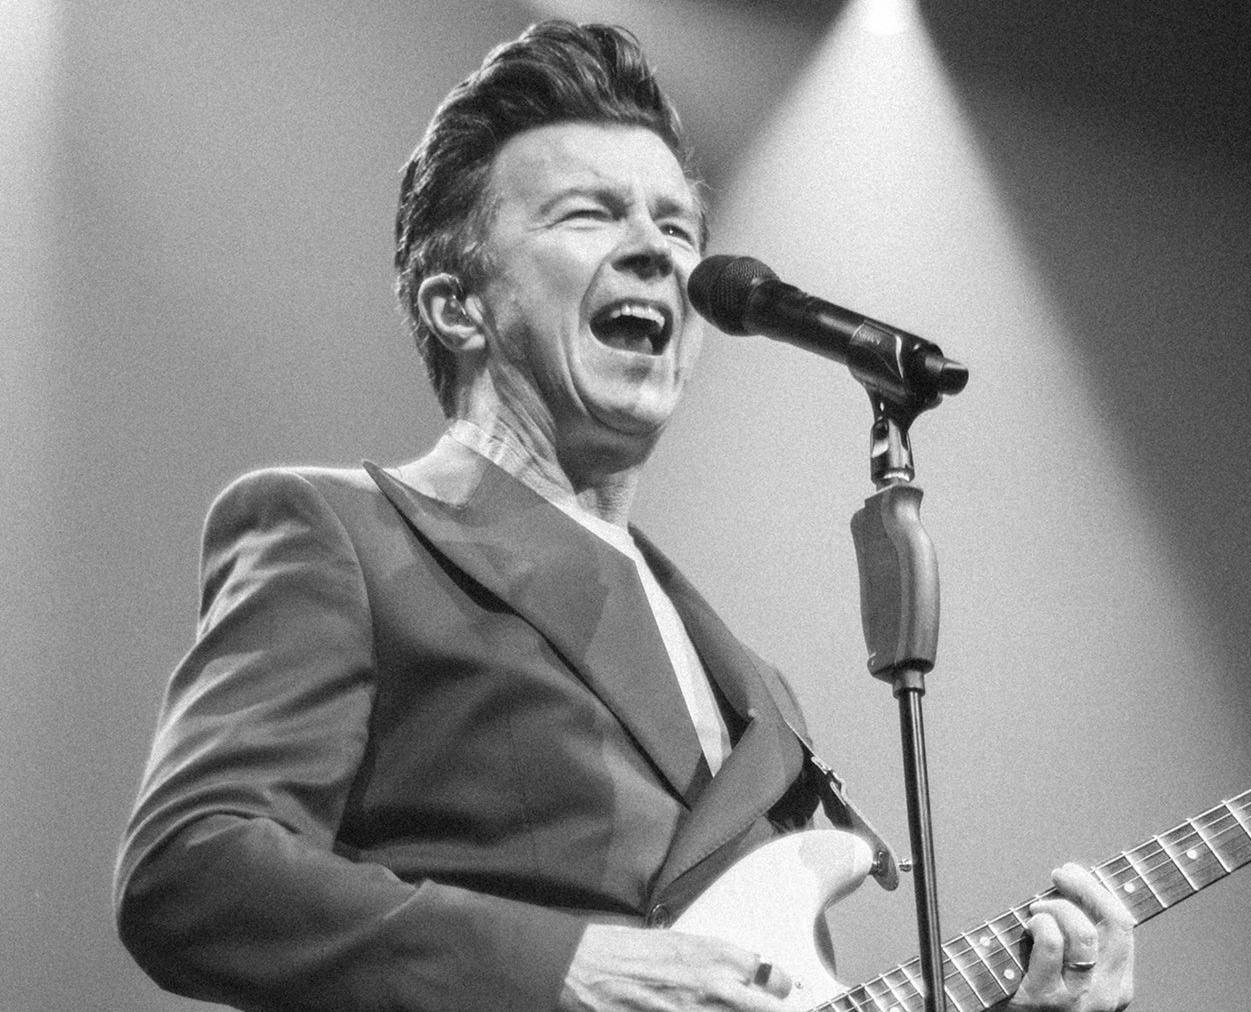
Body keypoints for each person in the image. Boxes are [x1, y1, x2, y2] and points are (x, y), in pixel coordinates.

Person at [115, 21, 1134, 1012]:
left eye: (678, 227)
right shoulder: (342, 531)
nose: (661, 255)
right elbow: (191, 867)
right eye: (590, 215)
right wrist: (562, 968)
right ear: (455, 305)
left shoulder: (756, 689)